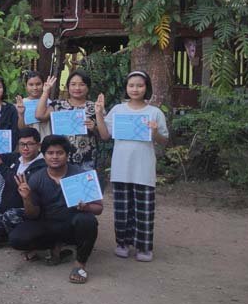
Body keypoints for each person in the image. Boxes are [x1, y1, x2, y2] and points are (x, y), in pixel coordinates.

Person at [95, 70, 168, 262]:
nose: (135, 89)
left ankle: (144, 247)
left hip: (144, 168)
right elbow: (104, 135)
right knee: (122, 209)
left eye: (140, 85)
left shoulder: (154, 112)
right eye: (131, 85)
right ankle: (122, 244)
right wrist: (99, 114)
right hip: (121, 168)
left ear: (147, 88)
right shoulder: (118, 110)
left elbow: (164, 140)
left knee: (144, 210)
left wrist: (154, 132)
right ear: (126, 88)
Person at [9, 135, 103, 284]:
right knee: (17, 239)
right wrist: (26, 198)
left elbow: (99, 209)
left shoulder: (80, 175)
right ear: (44, 155)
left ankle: (80, 264)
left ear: (67, 155)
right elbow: (32, 215)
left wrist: (87, 207)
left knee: (88, 220)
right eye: (50, 153)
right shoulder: (36, 178)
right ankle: (54, 247)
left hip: (72, 225)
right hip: (48, 224)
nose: (54, 157)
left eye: (59, 153)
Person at [0, 126, 46, 251]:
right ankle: (3, 236)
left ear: (38, 145)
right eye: (22, 144)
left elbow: (17, 183)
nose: (25, 148)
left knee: (10, 216)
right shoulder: (15, 158)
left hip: (27, 214)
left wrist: (1, 166)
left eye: (30, 144)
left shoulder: (43, 166)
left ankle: (21, 239)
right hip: (3, 211)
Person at [34, 71, 101, 170]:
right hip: (59, 158)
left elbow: (104, 135)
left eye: (82, 84)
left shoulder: (95, 107)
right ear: (68, 86)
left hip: (86, 158)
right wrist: (46, 92)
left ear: (88, 87)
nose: (77, 88)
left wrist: (94, 128)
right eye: (73, 84)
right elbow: (40, 115)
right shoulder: (58, 104)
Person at [15, 71, 52, 140]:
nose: (35, 88)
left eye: (38, 84)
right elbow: (21, 128)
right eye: (31, 85)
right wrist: (21, 114)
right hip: (29, 142)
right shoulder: (22, 104)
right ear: (26, 86)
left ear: (43, 85)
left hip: (46, 140)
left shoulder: (49, 103)